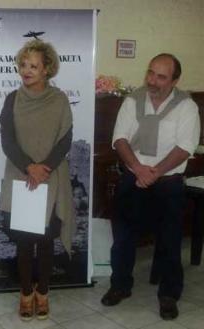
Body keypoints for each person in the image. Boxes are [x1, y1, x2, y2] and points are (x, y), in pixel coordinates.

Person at [101, 53, 200, 320]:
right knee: (123, 239)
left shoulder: (187, 106)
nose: (153, 81)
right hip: (133, 176)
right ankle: (120, 286)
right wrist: (138, 169)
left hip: (167, 182)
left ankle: (169, 294)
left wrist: (155, 172)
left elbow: (184, 148)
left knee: (169, 240)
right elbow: (120, 139)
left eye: (161, 76)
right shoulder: (132, 100)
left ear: (175, 80)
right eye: (150, 73)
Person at [0, 40, 75, 321]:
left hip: (51, 178)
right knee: (23, 242)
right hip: (21, 177)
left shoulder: (59, 100)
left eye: (33, 66)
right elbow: (7, 141)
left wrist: (44, 168)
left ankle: (43, 293)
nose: (26, 70)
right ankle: (25, 294)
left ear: (47, 70)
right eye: (23, 65)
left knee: (44, 241)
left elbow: (65, 139)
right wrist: (30, 167)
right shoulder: (12, 100)